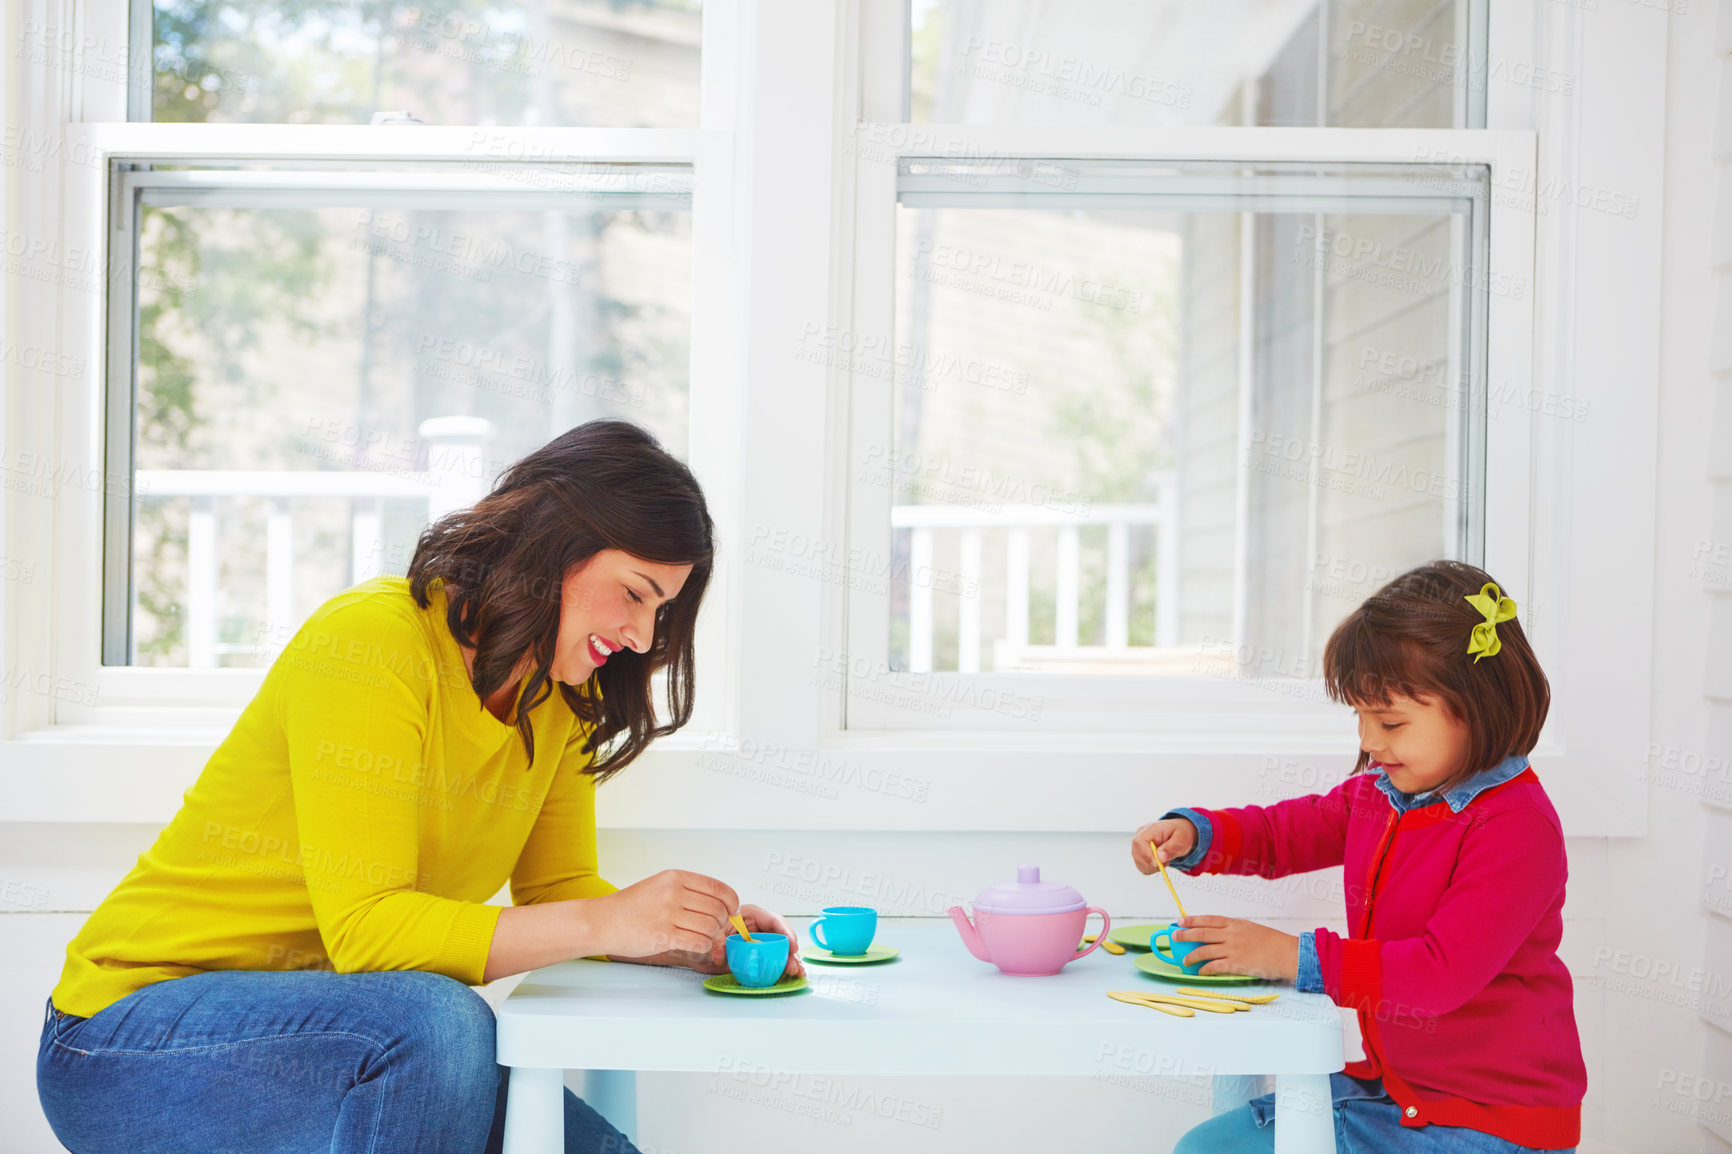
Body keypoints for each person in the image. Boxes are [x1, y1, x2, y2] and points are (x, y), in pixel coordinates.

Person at [38, 420, 801, 1154]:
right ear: (557, 546)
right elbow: (367, 934)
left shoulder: (562, 698)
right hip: (124, 1042)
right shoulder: (374, 644)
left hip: (354, 1041)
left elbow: (560, 892)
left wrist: (685, 939)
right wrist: (611, 923)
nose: (642, 636)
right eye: (634, 593)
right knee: (440, 1023)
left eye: (660, 609)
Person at [1137, 560, 1585, 1153]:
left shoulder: (1515, 826)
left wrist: (1289, 957)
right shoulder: (1385, 794)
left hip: (1485, 1123)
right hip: (1395, 1093)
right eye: (1361, 716)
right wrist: (1198, 836)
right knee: (1208, 1145)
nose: (1370, 742)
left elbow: (1437, 975)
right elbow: (1284, 833)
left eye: (1391, 720)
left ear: (1476, 706)